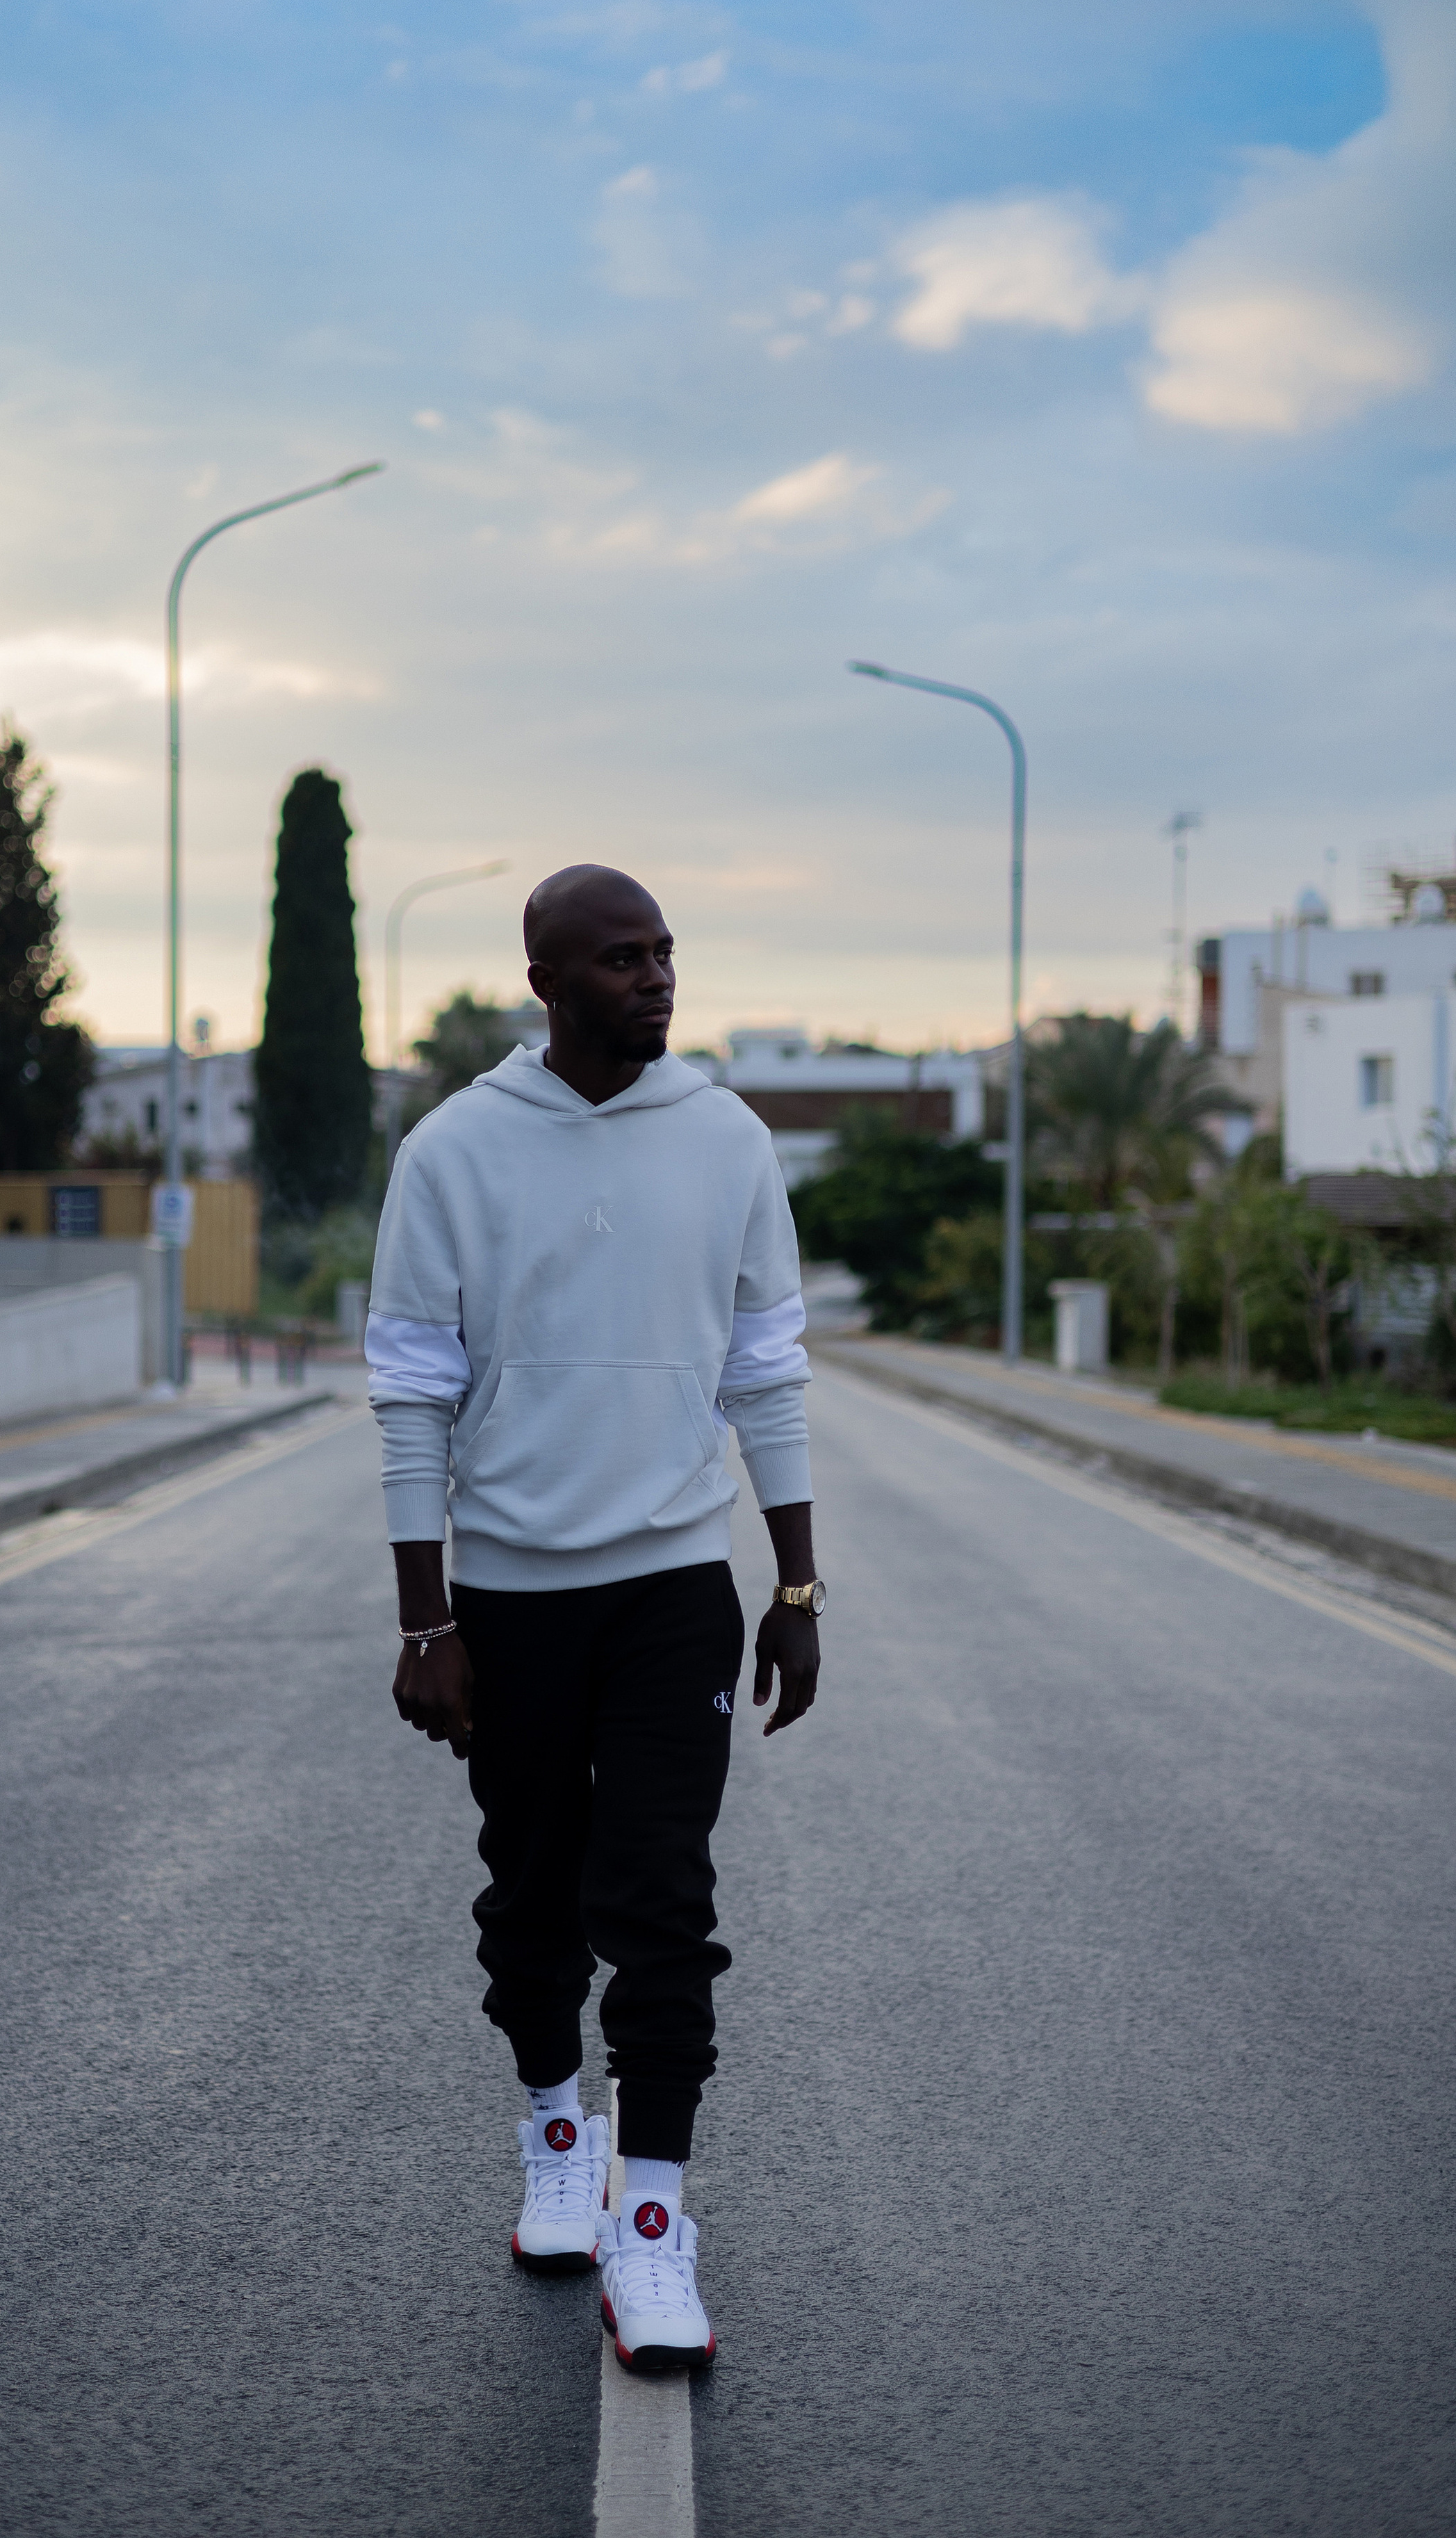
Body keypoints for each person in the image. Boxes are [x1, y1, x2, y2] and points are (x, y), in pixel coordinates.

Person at [366, 864, 823, 2371]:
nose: (654, 977)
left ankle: (652, 2228)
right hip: (508, 1596)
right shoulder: (451, 1152)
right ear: (544, 982)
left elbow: (765, 1370)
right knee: (532, 1896)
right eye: (621, 959)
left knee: (662, 1906)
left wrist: (796, 1584)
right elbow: (413, 1394)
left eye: (664, 952)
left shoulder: (728, 1141)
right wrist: (426, 1623)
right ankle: (555, 2131)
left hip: (673, 1591)